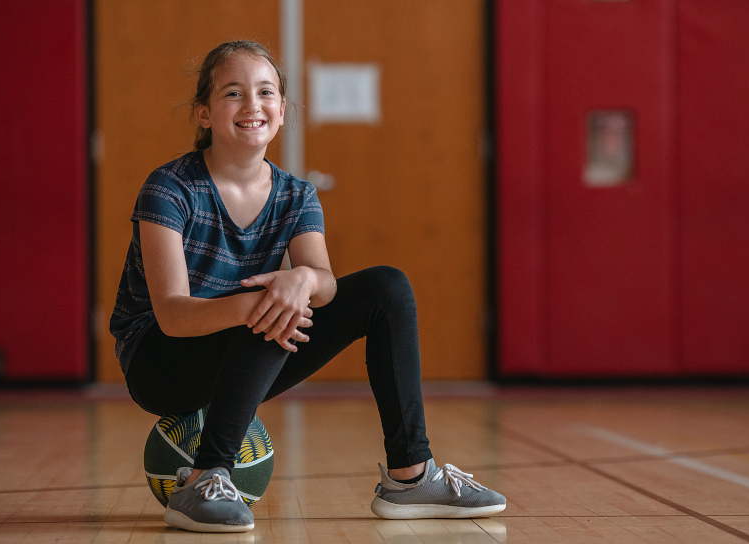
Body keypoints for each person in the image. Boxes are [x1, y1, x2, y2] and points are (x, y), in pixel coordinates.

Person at [110, 40, 506, 533]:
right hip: (161, 358)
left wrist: (301, 278)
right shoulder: (169, 188)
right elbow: (171, 313)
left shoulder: (296, 195)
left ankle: (410, 476)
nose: (252, 105)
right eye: (233, 93)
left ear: (281, 111)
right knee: (278, 307)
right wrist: (271, 299)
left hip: (244, 346)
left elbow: (324, 282)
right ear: (204, 113)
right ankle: (205, 476)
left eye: (266, 92)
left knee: (386, 288)